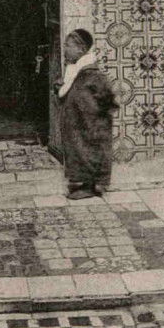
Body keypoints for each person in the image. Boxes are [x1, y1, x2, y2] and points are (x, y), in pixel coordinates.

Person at [55, 28, 119, 199]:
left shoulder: (92, 74)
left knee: (89, 149)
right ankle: (84, 183)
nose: (65, 50)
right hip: (79, 125)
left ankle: (92, 186)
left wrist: (95, 118)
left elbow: (107, 98)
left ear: (81, 49)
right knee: (78, 148)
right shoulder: (76, 71)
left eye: (68, 46)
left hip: (90, 126)